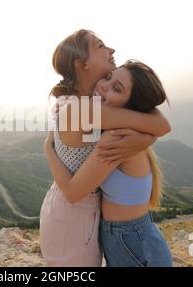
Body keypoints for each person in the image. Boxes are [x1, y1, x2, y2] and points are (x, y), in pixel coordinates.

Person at [39, 29, 171, 266]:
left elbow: (153, 119)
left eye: (116, 86)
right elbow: (159, 124)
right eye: (101, 46)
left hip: (72, 210)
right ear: (82, 65)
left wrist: (144, 140)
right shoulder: (87, 110)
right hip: (74, 213)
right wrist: (145, 138)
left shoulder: (82, 102)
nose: (111, 50)